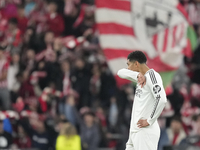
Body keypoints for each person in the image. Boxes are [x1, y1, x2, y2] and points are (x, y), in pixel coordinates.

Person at [117, 50, 167, 150]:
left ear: (136, 64)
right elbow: (120, 72)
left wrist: (149, 120)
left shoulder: (153, 76)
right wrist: (137, 75)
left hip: (145, 131)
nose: (128, 68)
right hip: (135, 131)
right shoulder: (141, 78)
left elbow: (161, 99)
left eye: (129, 64)